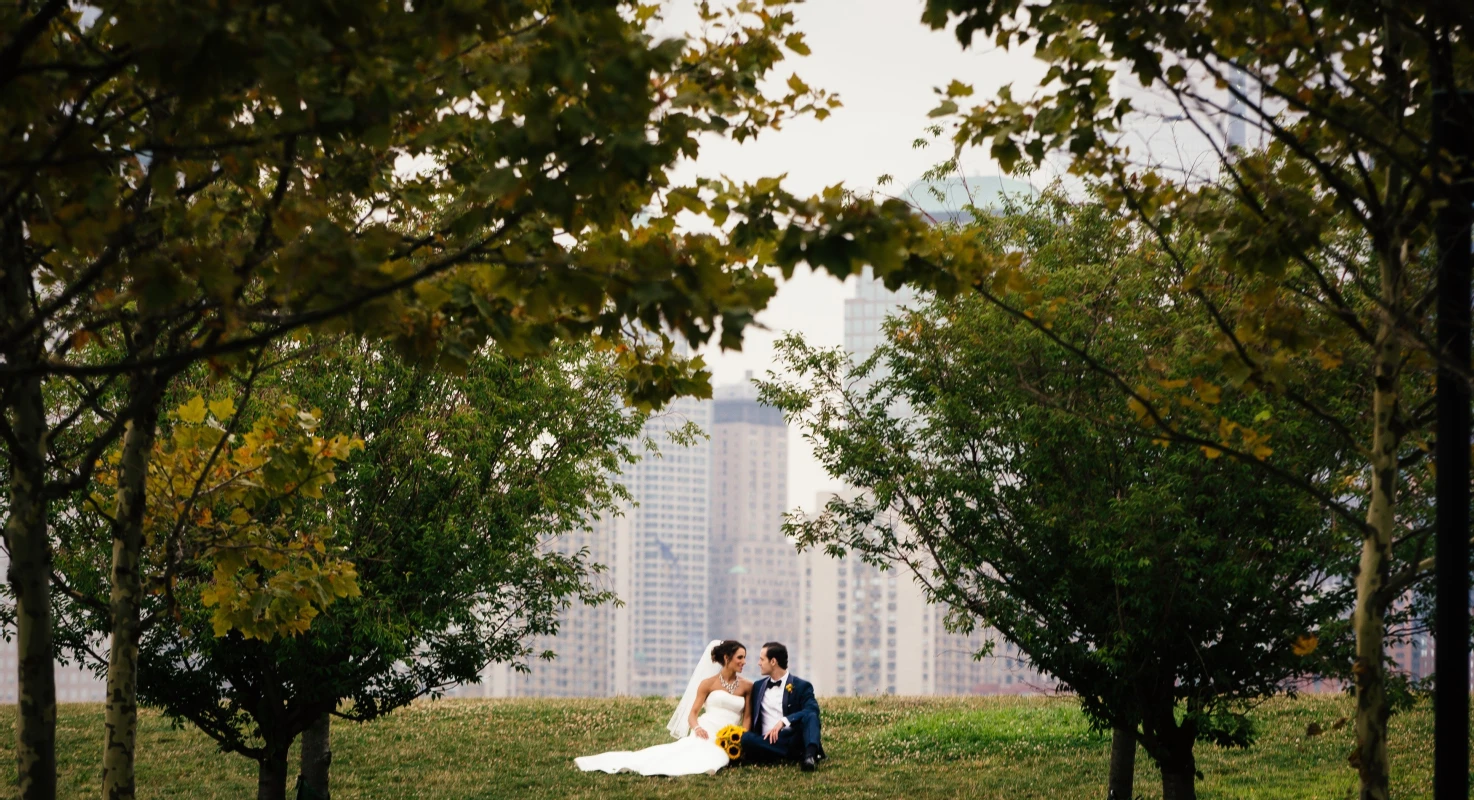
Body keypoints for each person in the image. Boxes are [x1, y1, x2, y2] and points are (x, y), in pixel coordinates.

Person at [574, 639, 753, 777]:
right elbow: (693, 714)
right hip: (705, 730)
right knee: (698, 755)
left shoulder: (747, 686)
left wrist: (742, 738)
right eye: (740, 657)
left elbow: (747, 717)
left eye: (745, 657)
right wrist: (697, 728)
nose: (744, 661)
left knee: (720, 757)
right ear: (727, 658)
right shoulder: (708, 683)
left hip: (731, 734)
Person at [741, 641, 825, 771]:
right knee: (746, 739)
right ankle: (794, 754)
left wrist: (784, 721)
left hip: (793, 737)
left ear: (773, 661)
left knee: (811, 716)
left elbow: (812, 710)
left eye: (762, 659)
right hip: (767, 741)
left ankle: (809, 757)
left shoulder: (802, 686)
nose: (759, 663)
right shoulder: (757, 686)